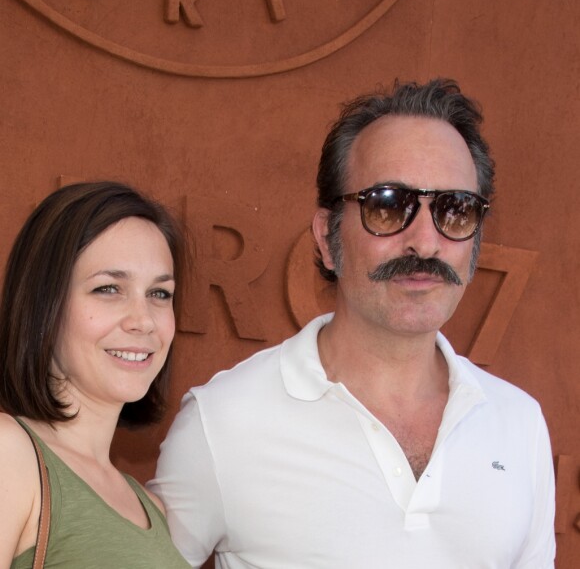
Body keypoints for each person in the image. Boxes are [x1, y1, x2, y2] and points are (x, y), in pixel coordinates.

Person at [150, 79, 556, 568]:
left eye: (454, 208)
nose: (425, 242)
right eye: (388, 205)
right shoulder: (222, 423)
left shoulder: (518, 423)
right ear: (327, 235)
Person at [0, 181, 191, 568]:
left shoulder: (149, 506)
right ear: (45, 307)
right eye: (108, 288)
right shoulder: (10, 455)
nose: (143, 321)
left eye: (159, 294)